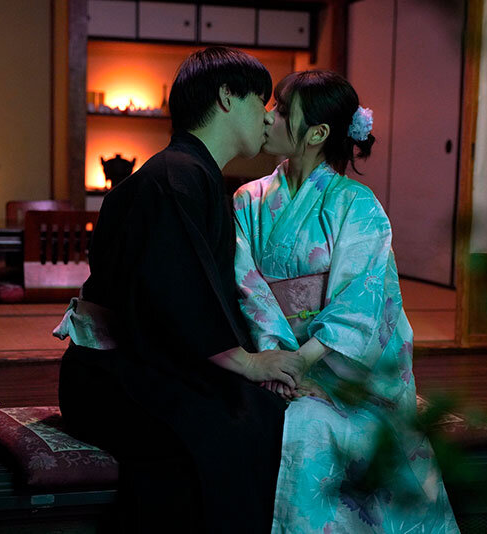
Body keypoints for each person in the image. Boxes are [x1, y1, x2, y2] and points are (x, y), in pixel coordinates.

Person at [54, 47, 304, 534]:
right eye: (261, 101)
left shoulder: (193, 175)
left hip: (150, 360)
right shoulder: (176, 178)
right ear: (227, 97)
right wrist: (249, 363)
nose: (267, 118)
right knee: (232, 426)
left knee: (262, 412)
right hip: (113, 376)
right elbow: (177, 298)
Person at [233, 70, 460, 533]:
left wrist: (302, 362)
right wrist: (278, 363)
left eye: (282, 110)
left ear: (317, 133)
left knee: (312, 425)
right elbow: (248, 286)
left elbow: (361, 302)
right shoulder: (247, 200)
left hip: (343, 371)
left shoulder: (357, 204)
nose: (268, 117)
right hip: (275, 358)